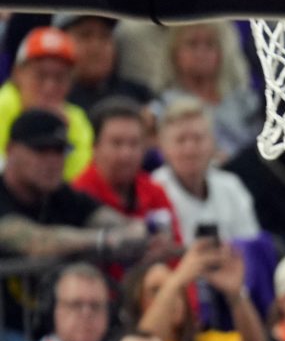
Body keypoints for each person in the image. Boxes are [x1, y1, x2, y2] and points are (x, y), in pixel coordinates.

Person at [0, 110, 153, 264]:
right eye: (41, 150)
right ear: (10, 150)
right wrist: (103, 240)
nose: (52, 161)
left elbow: (109, 219)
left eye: (59, 151)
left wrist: (136, 230)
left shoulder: (60, 193)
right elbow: (36, 242)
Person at [123, 237, 267, 341]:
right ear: (135, 303)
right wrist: (178, 279)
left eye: (178, 289)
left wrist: (235, 294)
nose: (172, 296)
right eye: (156, 290)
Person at [151, 98, 262, 242]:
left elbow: (251, 245)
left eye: (198, 138)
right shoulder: (153, 190)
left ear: (213, 142)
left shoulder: (231, 186)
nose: (190, 149)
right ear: (162, 146)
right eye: (180, 140)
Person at [157, 24, 262, 164]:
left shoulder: (245, 100)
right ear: (175, 54)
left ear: (220, 54)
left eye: (210, 44)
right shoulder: (163, 106)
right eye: (192, 44)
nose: (201, 52)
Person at [0, 27, 94, 181]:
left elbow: (79, 181)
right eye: (40, 75)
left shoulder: (76, 119)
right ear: (17, 74)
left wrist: (62, 134)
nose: (49, 87)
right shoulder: (2, 105)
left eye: (59, 77)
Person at [72, 97, 177, 233]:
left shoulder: (155, 191)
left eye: (134, 143)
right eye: (116, 143)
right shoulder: (76, 199)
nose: (126, 154)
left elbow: (174, 248)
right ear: (94, 147)